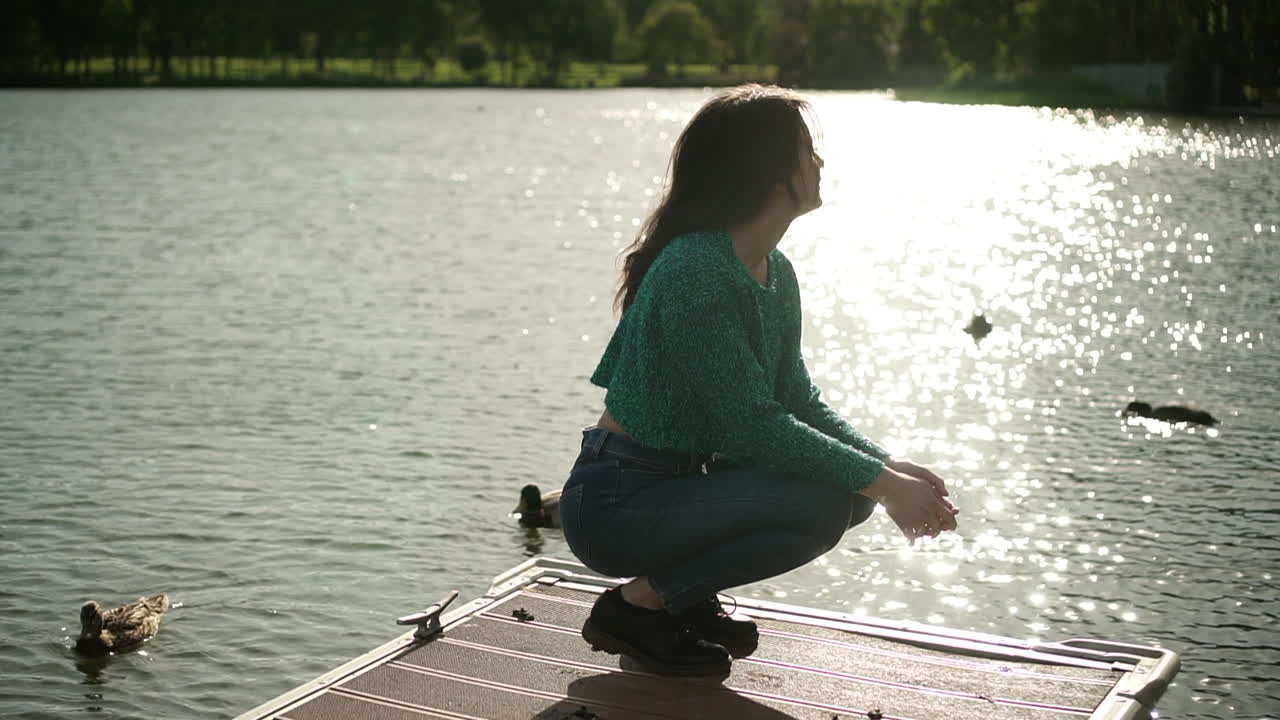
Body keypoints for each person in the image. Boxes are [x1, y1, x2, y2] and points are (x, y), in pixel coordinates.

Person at [557, 84, 960, 677]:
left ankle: (679, 601)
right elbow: (753, 424)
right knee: (825, 507)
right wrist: (885, 482)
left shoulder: (775, 271)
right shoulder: (695, 269)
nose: (818, 162)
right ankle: (636, 606)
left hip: (683, 488)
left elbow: (796, 399)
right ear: (770, 173)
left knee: (851, 496)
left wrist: (888, 467)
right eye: (805, 150)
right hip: (619, 503)